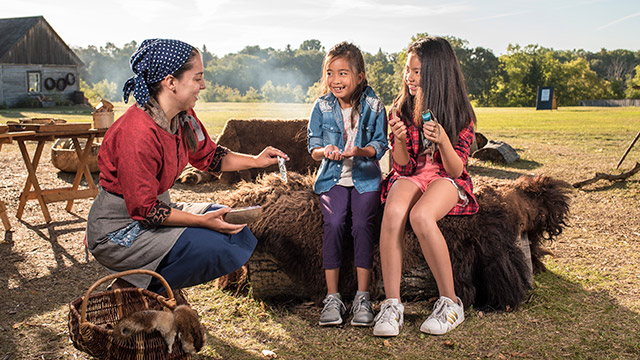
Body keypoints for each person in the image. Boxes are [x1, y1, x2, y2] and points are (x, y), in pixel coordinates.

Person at [86, 39, 288, 294]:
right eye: (197, 78)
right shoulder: (136, 133)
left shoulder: (184, 117)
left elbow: (211, 157)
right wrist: (200, 221)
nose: (203, 86)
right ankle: (137, 291)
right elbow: (145, 211)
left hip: (156, 210)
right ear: (170, 82)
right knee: (215, 245)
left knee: (234, 228)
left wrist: (256, 160)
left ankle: (148, 288)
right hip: (121, 229)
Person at [372, 37, 479, 337]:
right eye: (407, 70)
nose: (409, 77)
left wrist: (444, 139)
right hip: (413, 173)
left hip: (446, 177)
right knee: (392, 212)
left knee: (421, 216)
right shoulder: (401, 108)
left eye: (417, 71)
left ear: (437, 72)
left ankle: (450, 302)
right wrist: (401, 140)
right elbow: (402, 167)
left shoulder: (460, 112)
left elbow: (456, 169)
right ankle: (392, 305)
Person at [307, 42, 388, 327]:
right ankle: (333, 297)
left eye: (343, 73)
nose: (335, 80)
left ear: (360, 75)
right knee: (335, 223)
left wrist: (361, 151)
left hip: (365, 178)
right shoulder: (321, 106)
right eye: (330, 73)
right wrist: (325, 151)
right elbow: (313, 147)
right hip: (332, 179)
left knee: (361, 225)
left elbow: (380, 143)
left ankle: (363, 297)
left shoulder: (375, 105)